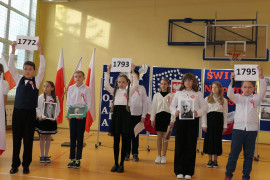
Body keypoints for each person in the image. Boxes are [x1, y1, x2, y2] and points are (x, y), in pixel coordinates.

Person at [9, 41, 45, 174]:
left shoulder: (37, 80)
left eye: (30, 69)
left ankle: (25, 165)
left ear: (34, 71)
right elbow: (11, 67)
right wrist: (13, 50)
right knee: (16, 140)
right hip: (17, 113)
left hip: (30, 114)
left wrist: (40, 50)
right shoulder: (18, 80)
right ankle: (14, 165)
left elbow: (43, 67)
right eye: (25, 69)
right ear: (23, 70)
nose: (27, 71)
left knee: (28, 141)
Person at [225, 66, 266, 180]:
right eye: (245, 87)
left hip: (251, 131)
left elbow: (263, 90)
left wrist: (261, 75)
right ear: (241, 88)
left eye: (250, 87)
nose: (247, 89)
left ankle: (246, 176)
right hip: (238, 130)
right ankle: (228, 175)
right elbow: (229, 94)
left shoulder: (256, 99)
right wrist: (232, 81)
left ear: (253, 88)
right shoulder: (238, 98)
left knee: (248, 156)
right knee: (233, 155)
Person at [170, 73, 207, 179]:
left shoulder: (198, 94)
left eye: (190, 80)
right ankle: (179, 170)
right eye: (186, 80)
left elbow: (204, 108)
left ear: (193, 82)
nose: (188, 82)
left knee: (191, 145)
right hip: (181, 121)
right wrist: (175, 112)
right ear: (183, 81)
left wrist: (197, 112)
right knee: (180, 144)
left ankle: (189, 171)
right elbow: (172, 106)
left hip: (192, 121)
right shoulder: (178, 93)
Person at [104, 64, 138, 173]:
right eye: (119, 82)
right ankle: (115, 163)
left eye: (123, 82)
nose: (121, 84)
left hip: (125, 116)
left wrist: (133, 71)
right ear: (117, 83)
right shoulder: (115, 91)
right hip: (117, 116)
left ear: (127, 83)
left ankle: (122, 164)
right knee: (116, 141)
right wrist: (108, 72)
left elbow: (136, 84)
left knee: (125, 141)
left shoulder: (129, 91)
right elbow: (106, 85)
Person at [66, 70, 91, 169]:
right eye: (76, 76)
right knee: (72, 137)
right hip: (72, 113)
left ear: (83, 78)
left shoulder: (86, 89)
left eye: (79, 76)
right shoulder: (71, 88)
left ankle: (78, 159)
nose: (77, 78)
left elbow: (88, 103)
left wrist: (82, 114)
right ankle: (72, 158)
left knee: (79, 138)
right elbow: (68, 102)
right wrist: (69, 114)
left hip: (81, 114)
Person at [202, 81, 228, 168]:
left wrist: (225, 126)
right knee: (209, 140)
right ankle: (210, 160)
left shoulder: (224, 100)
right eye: (212, 87)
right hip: (210, 121)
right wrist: (204, 124)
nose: (214, 89)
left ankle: (215, 160)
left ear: (220, 88)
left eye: (216, 87)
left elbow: (225, 114)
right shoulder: (207, 99)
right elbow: (204, 113)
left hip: (218, 122)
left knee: (217, 140)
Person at [125, 70, 147, 162]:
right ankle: (126, 153)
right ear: (129, 78)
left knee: (135, 135)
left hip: (138, 115)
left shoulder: (141, 88)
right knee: (127, 135)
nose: (133, 78)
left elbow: (145, 102)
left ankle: (135, 153)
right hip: (127, 115)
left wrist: (144, 115)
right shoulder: (126, 88)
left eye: (135, 76)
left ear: (138, 78)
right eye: (131, 76)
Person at [151, 78, 174, 164]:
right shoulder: (156, 95)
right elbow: (153, 107)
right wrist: (152, 119)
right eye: (161, 84)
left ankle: (164, 155)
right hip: (159, 116)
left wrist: (172, 120)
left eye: (165, 84)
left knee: (166, 137)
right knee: (159, 137)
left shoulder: (171, 95)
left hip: (167, 116)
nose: (163, 85)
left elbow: (173, 108)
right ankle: (158, 155)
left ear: (168, 85)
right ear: (160, 85)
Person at [36, 81, 60, 163]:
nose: (45, 88)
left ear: (52, 88)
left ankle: (46, 155)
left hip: (51, 121)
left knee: (48, 137)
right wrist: (41, 116)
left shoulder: (55, 98)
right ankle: (42, 155)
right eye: (44, 86)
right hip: (43, 120)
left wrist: (55, 117)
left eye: (48, 86)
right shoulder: (40, 97)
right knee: (42, 137)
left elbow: (58, 109)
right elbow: (37, 108)